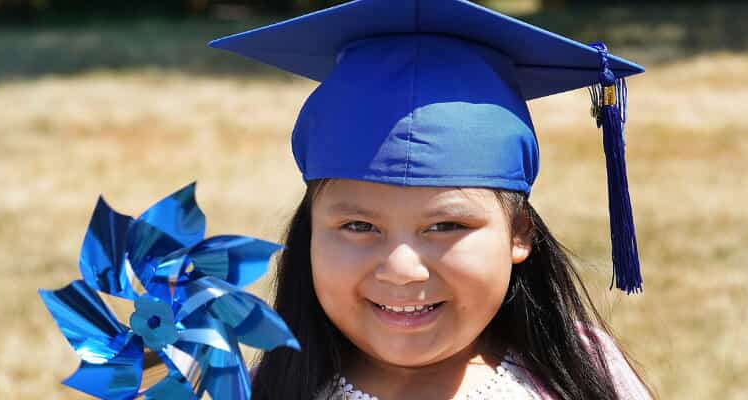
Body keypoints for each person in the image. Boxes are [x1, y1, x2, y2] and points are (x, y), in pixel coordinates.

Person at [209, 0, 652, 398]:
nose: (402, 270)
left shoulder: (579, 370)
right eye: (359, 226)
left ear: (519, 233)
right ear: (310, 234)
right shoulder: (264, 387)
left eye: (446, 226)